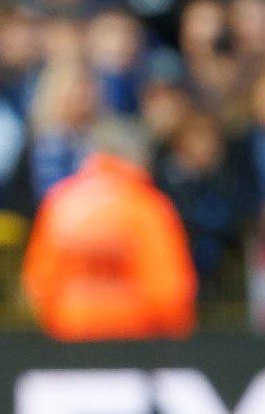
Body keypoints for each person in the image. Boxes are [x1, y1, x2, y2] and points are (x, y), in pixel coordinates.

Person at [20, 119, 198, 341]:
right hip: (136, 343)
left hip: (70, 337)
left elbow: (39, 284)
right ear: (136, 155)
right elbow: (169, 291)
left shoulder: (60, 203)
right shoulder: (147, 206)